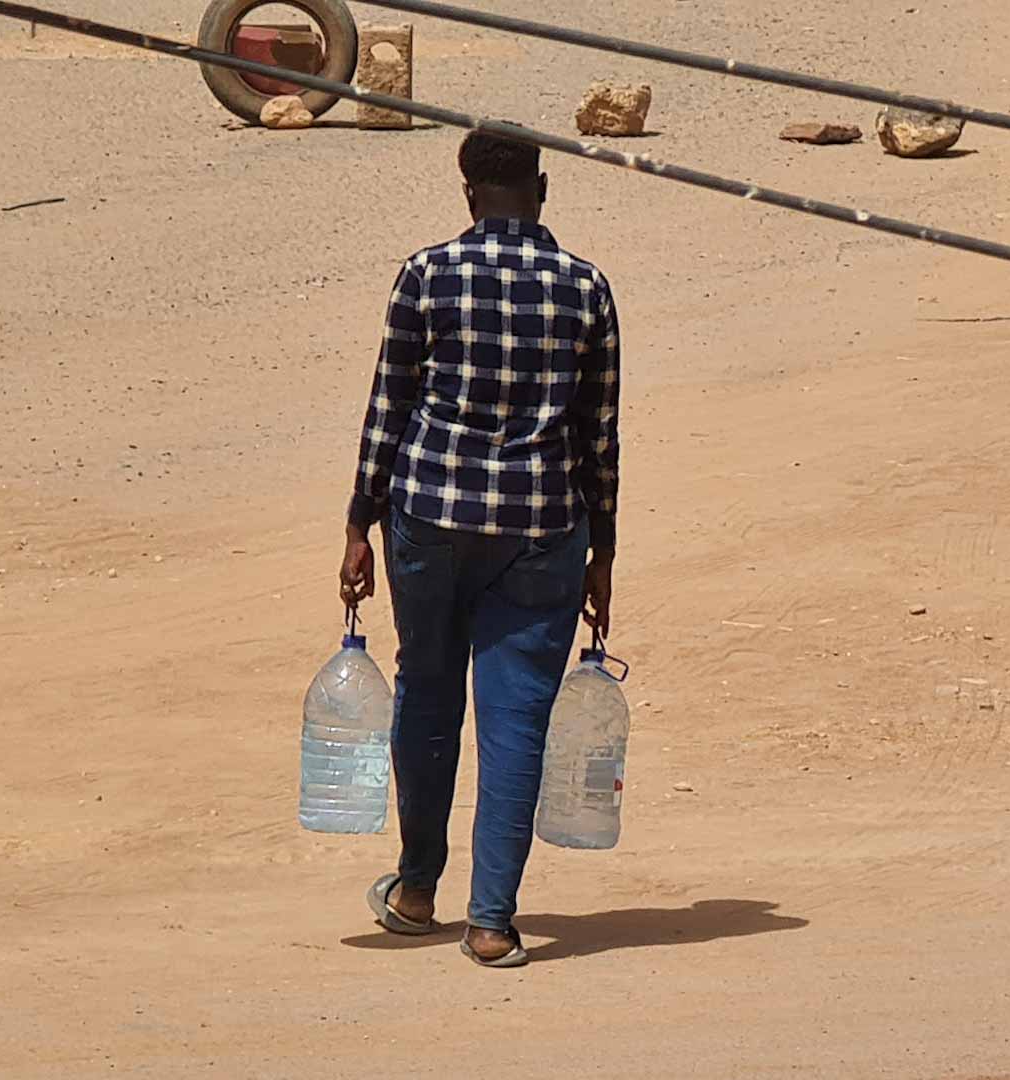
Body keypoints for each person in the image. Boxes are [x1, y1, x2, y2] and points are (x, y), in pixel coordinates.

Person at [339, 131, 620, 968]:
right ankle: (492, 922)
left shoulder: (427, 275)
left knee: (428, 695)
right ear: (542, 189)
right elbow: (598, 437)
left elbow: (388, 408)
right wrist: (603, 551)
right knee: (517, 717)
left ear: (468, 195)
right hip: (542, 529)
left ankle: (418, 887)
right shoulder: (586, 288)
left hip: (427, 516)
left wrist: (359, 523)